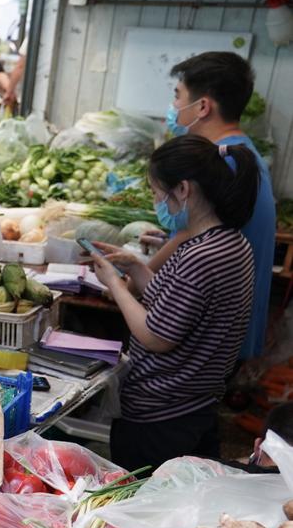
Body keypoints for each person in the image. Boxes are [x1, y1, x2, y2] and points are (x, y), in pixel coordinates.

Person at [89, 136, 258, 472]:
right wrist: (135, 267)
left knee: (149, 506)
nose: (156, 202)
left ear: (182, 190)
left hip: (162, 416)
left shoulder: (200, 255)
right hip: (196, 407)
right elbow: (179, 308)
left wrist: (113, 284)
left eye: (156, 193)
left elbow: (157, 335)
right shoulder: (231, 243)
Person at [143, 52, 276, 362]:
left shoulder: (221, 161)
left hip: (212, 338)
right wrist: (166, 243)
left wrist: (125, 280)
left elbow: (191, 232)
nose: (174, 107)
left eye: (178, 96)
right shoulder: (242, 153)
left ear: (202, 106)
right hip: (227, 325)